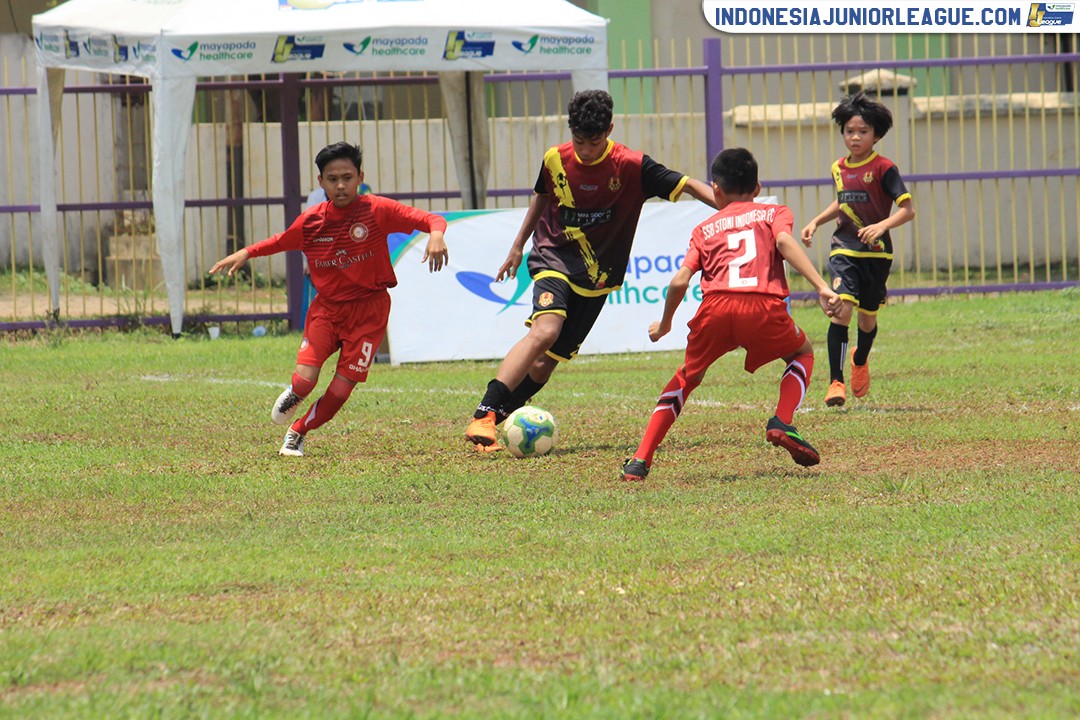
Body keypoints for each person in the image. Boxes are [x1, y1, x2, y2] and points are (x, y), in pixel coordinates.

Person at [464, 89, 717, 452]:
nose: (585, 150)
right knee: (545, 330)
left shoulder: (632, 166)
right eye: (578, 141)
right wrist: (518, 245)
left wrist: (733, 209)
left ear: (610, 129)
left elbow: (689, 185)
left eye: (594, 142)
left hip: (597, 278)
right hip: (552, 256)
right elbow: (542, 196)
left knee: (545, 365)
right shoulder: (555, 158)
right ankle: (484, 413)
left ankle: (497, 424)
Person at [209, 141, 448, 457]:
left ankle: (298, 432)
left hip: (370, 310)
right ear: (320, 182)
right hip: (328, 309)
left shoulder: (377, 210)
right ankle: (297, 392)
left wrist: (436, 236)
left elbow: (432, 219)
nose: (340, 185)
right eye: (332, 179)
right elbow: (281, 241)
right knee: (306, 380)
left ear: (359, 177)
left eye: (347, 177)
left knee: (341, 388)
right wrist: (246, 252)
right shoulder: (311, 221)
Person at [621, 148, 841, 482]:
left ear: (716, 189)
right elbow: (784, 242)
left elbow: (680, 279)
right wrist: (822, 286)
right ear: (757, 188)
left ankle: (640, 460)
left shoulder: (705, 227)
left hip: (716, 309)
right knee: (801, 353)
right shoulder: (774, 212)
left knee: (686, 378)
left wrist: (665, 325)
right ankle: (782, 421)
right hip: (763, 306)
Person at [800, 91, 915, 407]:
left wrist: (882, 226)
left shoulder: (884, 168)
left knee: (867, 320)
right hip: (844, 249)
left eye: (863, 131)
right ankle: (835, 382)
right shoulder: (838, 168)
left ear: (876, 135)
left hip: (877, 254)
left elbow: (907, 210)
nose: (855, 137)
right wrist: (816, 221)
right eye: (850, 131)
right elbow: (843, 201)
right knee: (841, 309)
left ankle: (860, 359)